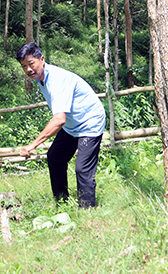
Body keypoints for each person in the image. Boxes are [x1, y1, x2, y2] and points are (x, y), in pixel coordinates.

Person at [16, 42, 106, 208]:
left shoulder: (57, 80)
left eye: (31, 63)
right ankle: (62, 203)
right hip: (73, 125)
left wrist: (32, 145)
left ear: (42, 59)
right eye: (24, 66)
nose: (29, 69)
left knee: (82, 169)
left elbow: (59, 119)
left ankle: (87, 211)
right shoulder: (41, 78)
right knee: (55, 157)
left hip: (89, 122)